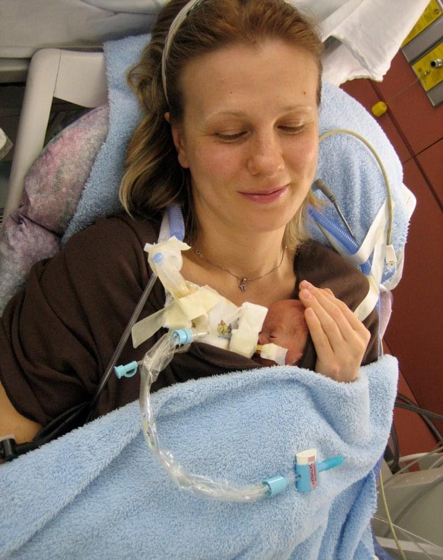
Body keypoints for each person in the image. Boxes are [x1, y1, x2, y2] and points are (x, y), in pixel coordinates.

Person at [0, 0, 378, 452]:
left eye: (293, 126)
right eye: (230, 133)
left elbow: (353, 491)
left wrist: (340, 404)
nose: (267, 161)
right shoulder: (109, 273)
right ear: (181, 140)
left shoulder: (347, 307)